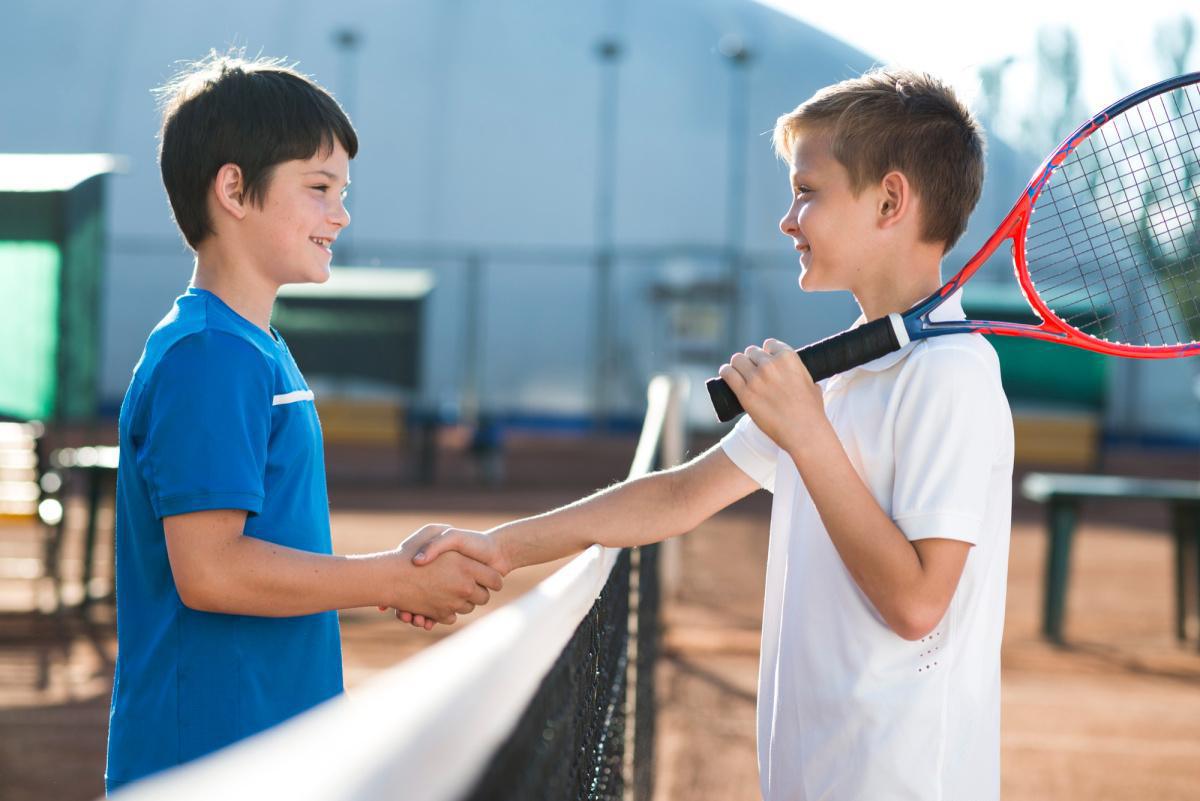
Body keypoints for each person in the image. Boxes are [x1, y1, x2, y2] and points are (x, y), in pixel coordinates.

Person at [409, 67, 1014, 800]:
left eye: (807, 191)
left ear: (890, 200)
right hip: (813, 774)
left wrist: (806, 434)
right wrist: (501, 548)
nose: (788, 219)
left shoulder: (952, 374)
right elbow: (681, 494)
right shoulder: (844, 369)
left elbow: (917, 604)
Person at [105, 52, 502, 793]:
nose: (341, 214)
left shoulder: (250, 347)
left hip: (270, 749)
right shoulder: (209, 355)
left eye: (342, 192)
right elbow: (211, 569)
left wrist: (390, 572)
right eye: (318, 188)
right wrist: (390, 577)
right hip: (211, 762)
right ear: (233, 189)